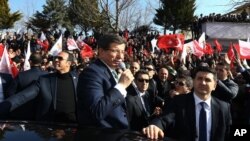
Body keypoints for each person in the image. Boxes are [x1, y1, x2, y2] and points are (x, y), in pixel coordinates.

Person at [142, 66, 231, 141]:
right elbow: (164, 119)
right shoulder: (179, 101)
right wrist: (155, 125)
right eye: (199, 78)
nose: (203, 82)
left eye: (207, 80)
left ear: (214, 86)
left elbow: (227, 133)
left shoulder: (224, 107)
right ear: (194, 82)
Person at [0, 51, 78, 123]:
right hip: (50, 129)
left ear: (69, 63)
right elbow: (22, 97)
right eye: (55, 58)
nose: (56, 60)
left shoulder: (78, 80)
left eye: (60, 58)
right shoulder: (44, 80)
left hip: (73, 127)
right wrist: (3, 107)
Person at [77, 34, 134, 129]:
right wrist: (121, 86)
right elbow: (97, 111)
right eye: (115, 51)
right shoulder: (91, 73)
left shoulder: (112, 71)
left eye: (123, 52)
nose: (121, 56)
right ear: (101, 51)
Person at [8, 52, 48, 120]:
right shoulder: (47, 76)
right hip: (41, 114)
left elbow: (10, 93)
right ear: (41, 62)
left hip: (22, 114)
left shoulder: (21, 75)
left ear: (30, 62)